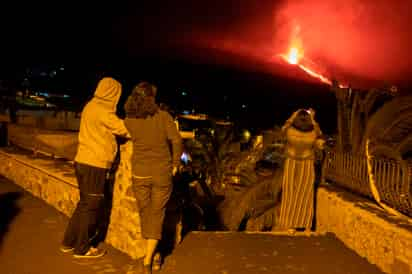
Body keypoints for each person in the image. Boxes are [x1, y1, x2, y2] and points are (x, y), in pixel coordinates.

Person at [60, 77, 130, 258]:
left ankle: (68, 242)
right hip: (95, 165)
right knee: (92, 206)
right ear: (111, 93)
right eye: (117, 94)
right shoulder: (103, 111)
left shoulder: (90, 106)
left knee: (83, 205)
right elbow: (124, 129)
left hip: (83, 161)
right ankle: (82, 249)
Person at [124, 82, 182, 274]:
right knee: (157, 213)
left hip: (139, 172)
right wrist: (175, 163)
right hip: (161, 173)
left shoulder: (129, 120)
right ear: (151, 98)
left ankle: (150, 255)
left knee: (145, 212)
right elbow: (176, 140)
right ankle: (150, 259)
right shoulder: (164, 117)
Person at [277, 108, 325, 233]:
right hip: (307, 163)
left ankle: (289, 224)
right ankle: (303, 223)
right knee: (304, 194)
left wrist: (292, 116)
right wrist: (313, 119)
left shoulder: (289, 130)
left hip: (291, 162)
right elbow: (320, 136)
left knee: (289, 193)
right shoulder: (313, 132)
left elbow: (283, 129)